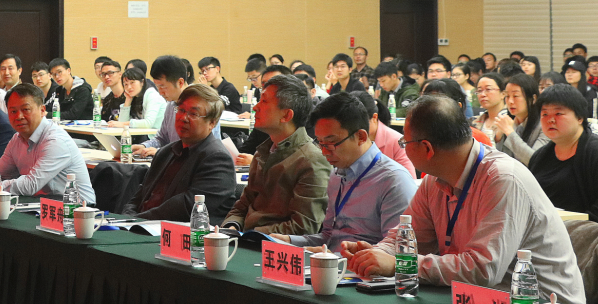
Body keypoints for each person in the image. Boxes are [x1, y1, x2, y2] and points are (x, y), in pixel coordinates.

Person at [342, 95, 586, 303]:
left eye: (405, 142)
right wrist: (373, 254)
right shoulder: (433, 181)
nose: (403, 148)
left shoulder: (502, 179)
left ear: (427, 148)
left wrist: (399, 264)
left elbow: (483, 269)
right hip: (475, 295)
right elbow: (410, 237)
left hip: (535, 298)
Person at [267, 92, 416, 251]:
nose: (324, 152)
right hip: (333, 262)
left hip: (361, 266)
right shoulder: (337, 175)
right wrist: (288, 240)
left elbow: (395, 252)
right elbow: (329, 237)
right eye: (320, 143)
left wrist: (330, 256)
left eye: (331, 143)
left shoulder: (394, 181)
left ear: (360, 136)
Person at [221, 75, 330, 235]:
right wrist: (232, 227)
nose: (255, 107)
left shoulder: (312, 161)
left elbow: (303, 227)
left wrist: (250, 235)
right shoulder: (263, 152)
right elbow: (242, 205)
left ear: (286, 116)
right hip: (247, 239)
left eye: (264, 101)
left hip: (273, 245)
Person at [124, 84, 236, 224]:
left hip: (175, 231)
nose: (183, 118)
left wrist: (136, 221)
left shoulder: (217, 159)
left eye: (193, 114)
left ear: (212, 123)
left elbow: (185, 208)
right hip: (140, 224)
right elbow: (139, 196)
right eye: (181, 110)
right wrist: (126, 218)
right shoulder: (165, 152)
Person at [0, 84, 95, 204]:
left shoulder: (55, 141)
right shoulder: (16, 139)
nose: (19, 116)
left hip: (77, 209)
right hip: (40, 204)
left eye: (26, 109)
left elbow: (30, 185)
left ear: (42, 110)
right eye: (13, 111)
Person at [529, 84, 598, 221]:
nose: (550, 120)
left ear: (580, 117)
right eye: (545, 114)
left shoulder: (594, 152)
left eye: (558, 113)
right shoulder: (539, 157)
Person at [132, 56, 222, 157]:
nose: (160, 93)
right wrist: (144, 146)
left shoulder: (202, 104)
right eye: (157, 87)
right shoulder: (171, 105)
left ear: (180, 82)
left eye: (163, 86)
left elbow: (200, 149)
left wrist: (160, 152)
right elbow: (162, 139)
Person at [348, 91, 416, 179]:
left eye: (359, 124)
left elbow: (409, 179)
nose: (354, 129)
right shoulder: (346, 139)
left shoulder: (397, 142)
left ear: (374, 118)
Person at [494, 73, 546, 166]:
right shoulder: (505, 119)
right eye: (507, 96)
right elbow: (499, 159)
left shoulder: (544, 124)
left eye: (515, 96)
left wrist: (509, 132)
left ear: (533, 99)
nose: (510, 101)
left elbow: (534, 161)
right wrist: (498, 137)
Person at [474, 72, 507, 143]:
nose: (483, 94)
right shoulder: (474, 122)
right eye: (479, 91)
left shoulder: (510, 120)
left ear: (503, 94)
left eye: (488, 89)